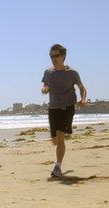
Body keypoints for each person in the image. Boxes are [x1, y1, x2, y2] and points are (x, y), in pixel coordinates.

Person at [41, 44, 87, 177]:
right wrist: (45, 88)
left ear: (63, 56)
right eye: (51, 56)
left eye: (56, 56)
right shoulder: (48, 72)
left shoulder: (72, 73)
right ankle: (65, 134)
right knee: (55, 141)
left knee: (60, 139)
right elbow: (46, 84)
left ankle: (58, 167)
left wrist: (83, 100)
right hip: (53, 108)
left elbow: (82, 88)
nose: (53, 58)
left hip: (68, 107)